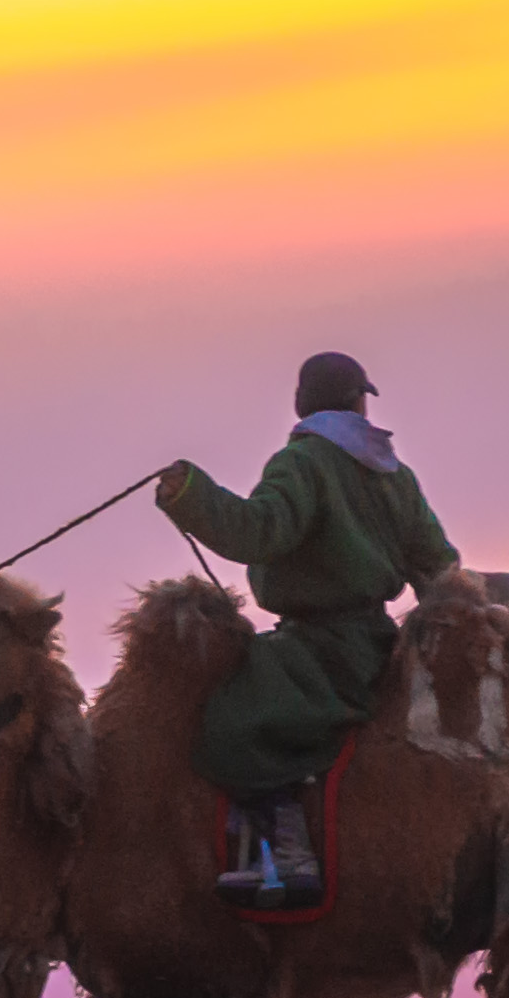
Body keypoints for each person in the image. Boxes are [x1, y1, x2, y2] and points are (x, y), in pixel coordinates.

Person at [153, 353, 461, 904]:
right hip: (377, 644)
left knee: (233, 715)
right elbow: (438, 567)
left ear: (301, 402)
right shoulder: (394, 475)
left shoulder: (303, 464)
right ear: (357, 401)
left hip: (322, 651)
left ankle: (289, 854)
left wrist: (190, 495)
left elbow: (258, 533)